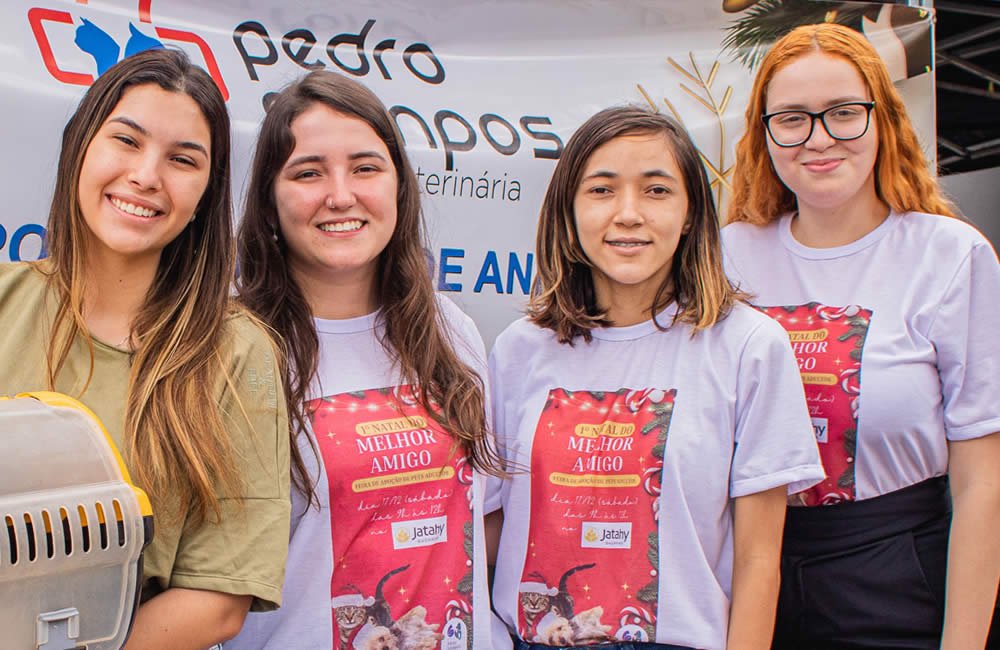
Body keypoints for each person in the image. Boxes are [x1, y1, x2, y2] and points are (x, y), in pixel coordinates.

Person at [487, 105, 825, 650]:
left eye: (656, 190)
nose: (627, 213)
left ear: (692, 211)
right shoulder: (519, 350)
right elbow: (492, 529)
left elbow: (760, 561)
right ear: (568, 211)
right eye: (601, 190)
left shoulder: (748, 347)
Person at [0, 49, 290, 649]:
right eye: (126, 141)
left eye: (183, 160)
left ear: (207, 194)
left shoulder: (236, 352)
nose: (146, 176)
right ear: (81, 145)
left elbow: (218, 598)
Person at [723, 23, 1000, 650]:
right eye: (791, 118)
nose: (819, 138)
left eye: (844, 113)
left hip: (895, 578)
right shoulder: (728, 256)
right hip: (746, 577)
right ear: (763, 133)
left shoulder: (950, 256)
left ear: (883, 120)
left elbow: (983, 484)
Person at [228, 70, 504, 650]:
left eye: (365, 167)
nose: (340, 194)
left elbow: (482, 524)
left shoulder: (450, 329)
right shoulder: (232, 344)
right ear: (270, 200)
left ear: (398, 185)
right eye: (308, 172)